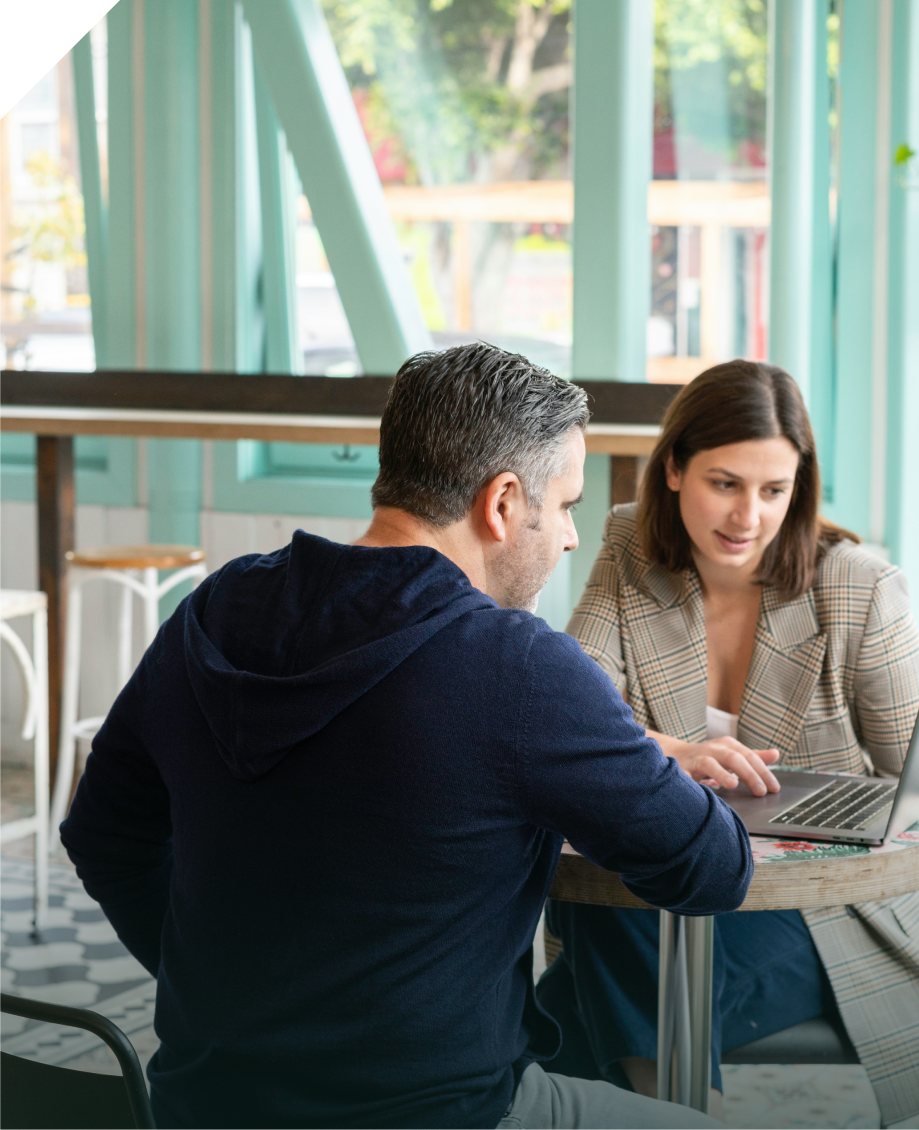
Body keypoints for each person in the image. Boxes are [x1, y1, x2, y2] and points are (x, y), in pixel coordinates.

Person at [60, 343, 746, 1130]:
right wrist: (631, 747)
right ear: (502, 502)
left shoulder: (214, 610)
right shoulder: (516, 666)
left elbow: (103, 834)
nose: (567, 538)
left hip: (203, 1104)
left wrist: (219, 994)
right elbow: (711, 868)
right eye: (564, 506)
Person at [536, 360, 919, 1128]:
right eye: (726, 483)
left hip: (822, 913)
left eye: (776, 490)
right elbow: (573, 710)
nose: (749, 517)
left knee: (546, 1015)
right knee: (622, 911)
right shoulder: (631, 545)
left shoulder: (857, 587)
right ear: (673, 469)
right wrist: (664, 749)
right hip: (671, 887)